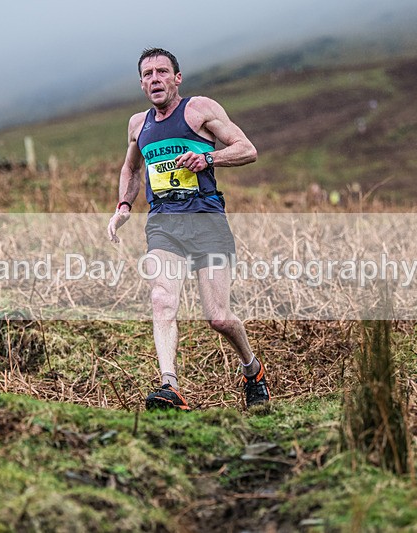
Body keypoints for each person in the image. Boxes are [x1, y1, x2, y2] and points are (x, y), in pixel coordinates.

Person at [107, 48, 270, 411]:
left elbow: (248, 149)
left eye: (162, 72)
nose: (155, 79)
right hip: (164, 224)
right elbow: (131, 170)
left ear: (177, 78)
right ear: (141, 83)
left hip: (207, 221)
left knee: (219, 317)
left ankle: (253, 370)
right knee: (162, 300)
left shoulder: (199, 109)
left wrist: (208, 158)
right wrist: (123, 207)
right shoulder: (138, 125)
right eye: (147, 74)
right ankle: (170, 386)